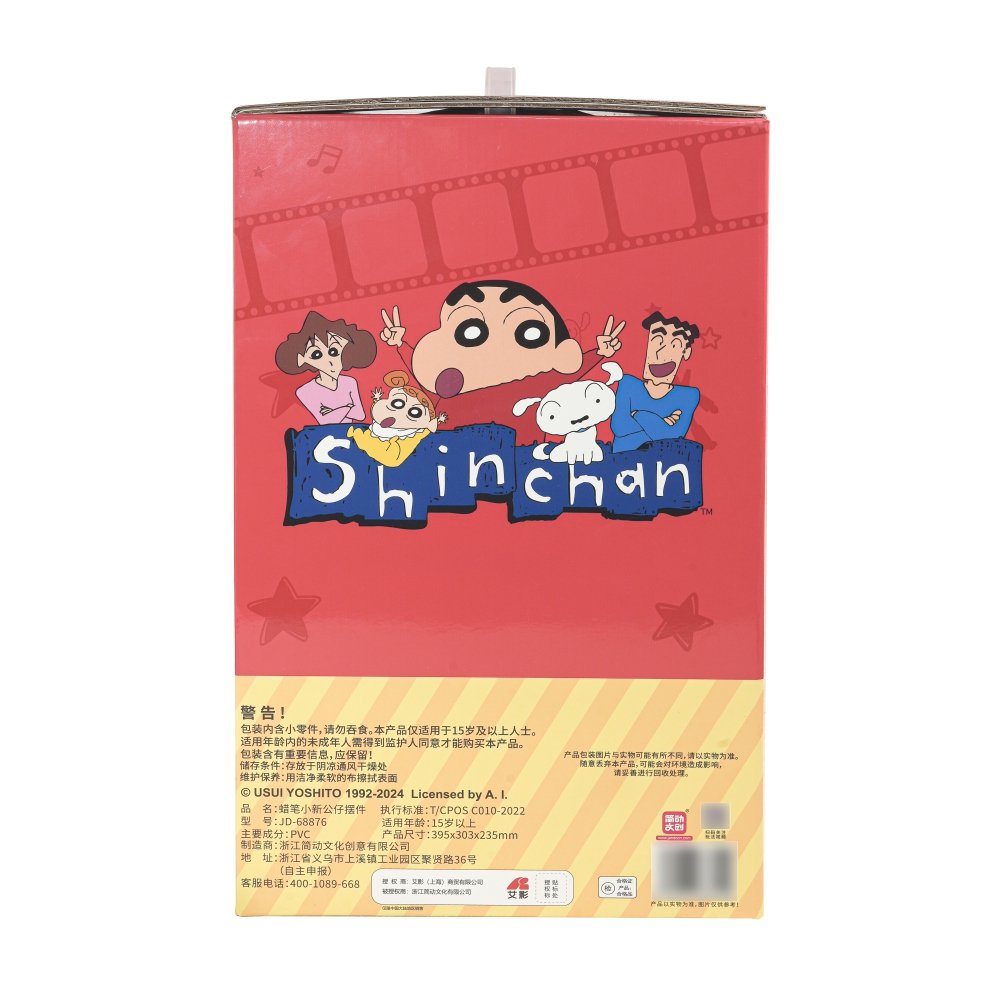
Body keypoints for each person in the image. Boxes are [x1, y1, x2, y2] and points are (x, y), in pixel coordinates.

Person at [377, 281, 623, 444]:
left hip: (522, 463)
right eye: (470, 330)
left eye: (529, 332)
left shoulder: (535, 382)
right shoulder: (449, 385)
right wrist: (401, 344)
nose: (495, 345)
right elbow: (425, 372)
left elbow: (570, 372)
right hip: (451, 464)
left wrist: (599, 353)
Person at [610, 311, 700, 453]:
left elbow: (672, 436)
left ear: (686, 352)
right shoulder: (627, 384)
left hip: (664, 465)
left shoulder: (688, 396)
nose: (660, 352)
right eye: (657, 341)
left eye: (674, 344)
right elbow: (619, 427)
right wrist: (661, 422)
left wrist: (637, 414)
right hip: (623, 463)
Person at [274, 311, 377, 424]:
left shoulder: (349, 382)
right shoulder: (305, 391)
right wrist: (348, 407)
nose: (329, 362)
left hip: (352, 432)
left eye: (334, 351)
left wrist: (333, 411)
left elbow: (360, 415)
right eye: (316, 355)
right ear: (301, 359)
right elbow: (325, 420)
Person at [347, 371, 446, 467]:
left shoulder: (414, 433)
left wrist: (437, 421)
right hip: (375, 442)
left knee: (386, 452)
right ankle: (355, 433)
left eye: (415, 412)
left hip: (392, 453)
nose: (401, 412)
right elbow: (380, 409)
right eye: (397, 403)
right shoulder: (383, 419)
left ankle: (358, 435)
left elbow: (428, 428)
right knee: (363, 438)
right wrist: (377, 399)